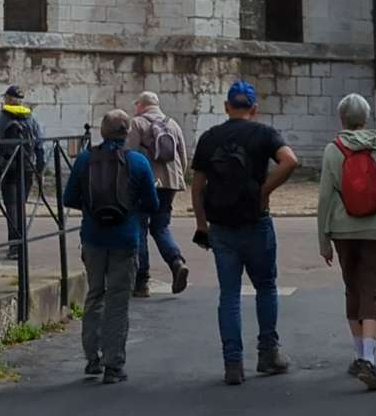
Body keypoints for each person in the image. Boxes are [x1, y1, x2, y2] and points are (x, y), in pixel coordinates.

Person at [190, 79, 297, 385]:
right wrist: (264, 191)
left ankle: (233, 363)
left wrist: (201, 224)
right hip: (256, 221)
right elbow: (290, 161)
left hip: (222, 227)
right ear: (254, 108)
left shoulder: (209, 138)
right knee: (266, 287)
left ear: (226, 106)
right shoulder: (264, 134)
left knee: (229, 295)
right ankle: (268, 354)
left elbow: (196, 188)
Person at [315, 93, 376, 389]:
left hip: (343, 231)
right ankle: (368, 359)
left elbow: (324, 198)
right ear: (366, 118)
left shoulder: (333, 150)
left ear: (341, 118)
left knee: (353, 289)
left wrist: (324, 241)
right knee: (372, 293)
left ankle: (359, 355)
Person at [64, 110, 157, 382]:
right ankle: (113, 364)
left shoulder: (85, 160)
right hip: (125, 238)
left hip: (93, 237)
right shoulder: (137, 162)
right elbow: (152, 204)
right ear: (127, 133)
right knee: (118, 300)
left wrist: (93, 207)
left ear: (102, 132)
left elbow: (69, 198)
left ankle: (92, 358)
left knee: (95, 294)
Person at [126, 90, 191, 298]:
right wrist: (175, 180)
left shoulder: (137, 123)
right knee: (160, 227)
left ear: (142, 105)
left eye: (137, 104)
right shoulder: (173, 124)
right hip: (170, 183)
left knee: (140, 228)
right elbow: (183, 157)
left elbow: (129, 155)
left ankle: (141, 282)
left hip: (145, 184)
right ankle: (176, 262)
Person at [0, 87, 44, 257]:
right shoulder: (30, 117)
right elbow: (40, 145)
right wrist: (39, 170)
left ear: (8, 99)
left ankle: (15, 246)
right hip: (27, 167)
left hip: (8, 167)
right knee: (20, 206)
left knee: (11, 206)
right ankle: (21, 242)